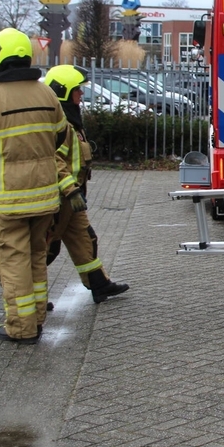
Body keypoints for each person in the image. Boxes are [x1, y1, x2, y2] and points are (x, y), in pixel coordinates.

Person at [0, 28, 70, 345]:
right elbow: (61, 136)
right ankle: (35, 319)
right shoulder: (46, 93)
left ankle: (21, 328)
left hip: (8, 200)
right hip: (45, 195)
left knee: (13, 261)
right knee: (36, 257)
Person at [43, 65, 130, 303]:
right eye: (77, 90)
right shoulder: (60, 126)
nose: (81, 95)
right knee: (46, 248)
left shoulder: (71, 121)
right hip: (61, 198)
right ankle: (29, 295)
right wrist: (70, 190)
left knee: (85, 238)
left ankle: (99, 284)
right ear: (63, 91)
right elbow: (53, 160)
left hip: (74, 198)